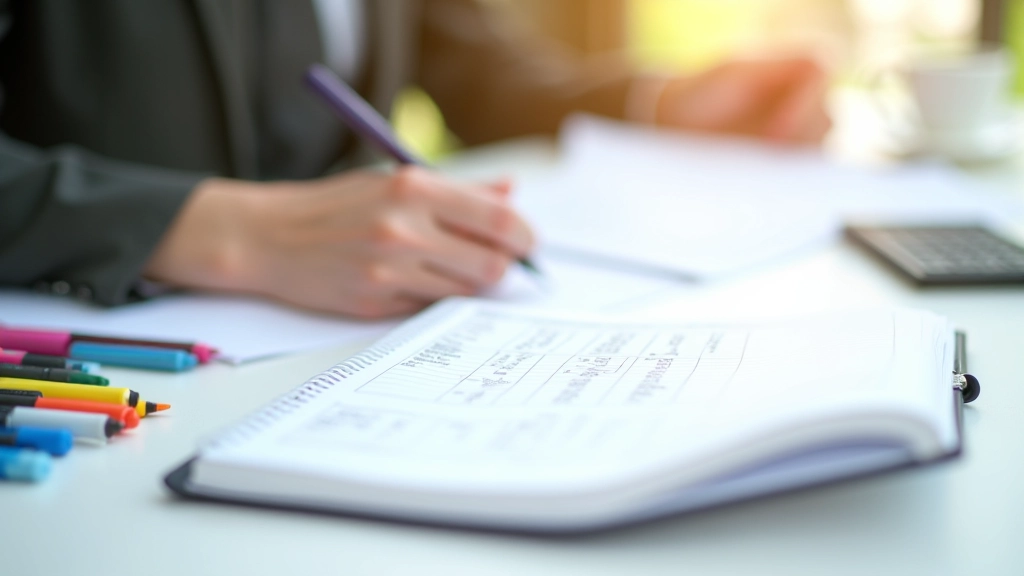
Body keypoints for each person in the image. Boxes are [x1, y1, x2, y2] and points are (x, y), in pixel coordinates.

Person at [0, 0, 829, 319]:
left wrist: (664, 104)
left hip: (352, 351)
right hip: (113, 360)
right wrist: (227, 229)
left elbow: (474, 69)